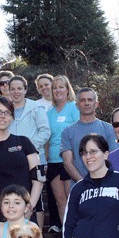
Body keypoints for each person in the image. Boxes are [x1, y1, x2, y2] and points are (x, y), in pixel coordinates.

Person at [0, 97, 44, 218]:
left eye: (7, 112)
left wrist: (30, 207)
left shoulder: (24, 142)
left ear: (12, 117)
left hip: (23, 212)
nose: (2, 116)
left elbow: (39, 178)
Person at [8, 75, 51, 227]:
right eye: (12, 89)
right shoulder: (6, 108)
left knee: (36, 199)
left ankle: (37, 236)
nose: (16, 92)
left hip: (35, 159)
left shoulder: (36, 108)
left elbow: (45, 131)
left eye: (19, 88)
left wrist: (28, 147)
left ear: (25, 89)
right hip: (13, 160)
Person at [60, 87, 119, 185]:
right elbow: (68, 163)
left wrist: (104, 181)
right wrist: (83, 183)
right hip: (79, 187)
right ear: (77, 105)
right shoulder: (67, 132)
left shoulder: (108, 129)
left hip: (106, 185)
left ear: (96, 104)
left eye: (90, 100)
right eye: (82, 100)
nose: (86, 103)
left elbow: (113, 158)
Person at [46, 75, 79, 224]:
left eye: (61, 87)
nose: (58, 90)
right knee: (61, 202)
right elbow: (47, 138)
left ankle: (76, 237)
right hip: (53, 161)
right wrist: (46, 158)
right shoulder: (49, 113)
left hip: (70, 161)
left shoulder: (74, 107)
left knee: (72, 201)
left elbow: (79, 132)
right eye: (55, 88)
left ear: (67, 89)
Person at [35, 73, 62, 233]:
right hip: (46, 154)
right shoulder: (37, 105)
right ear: (38, 89)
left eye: (48, 84)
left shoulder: (60, 104)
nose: (45, 87)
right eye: (42, 85)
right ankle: (53, 223)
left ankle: (60, 224)